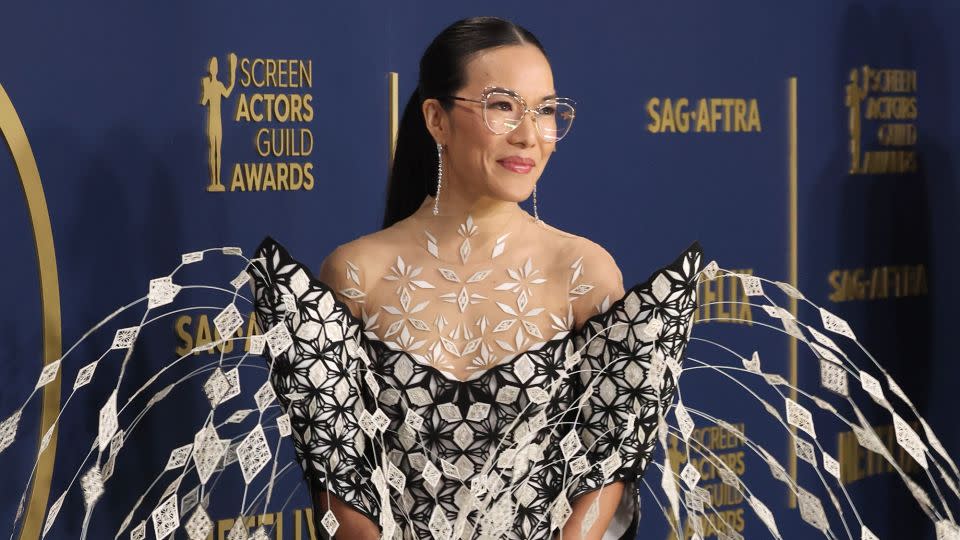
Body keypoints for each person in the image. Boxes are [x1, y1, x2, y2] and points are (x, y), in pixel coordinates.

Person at [246, 16, 700, 540]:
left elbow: (609, 458)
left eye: (547, 111)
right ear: (437, 120)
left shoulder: (581, 271)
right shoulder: (356, 272)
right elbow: (337, 467)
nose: (529, 135)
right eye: (502, 106)